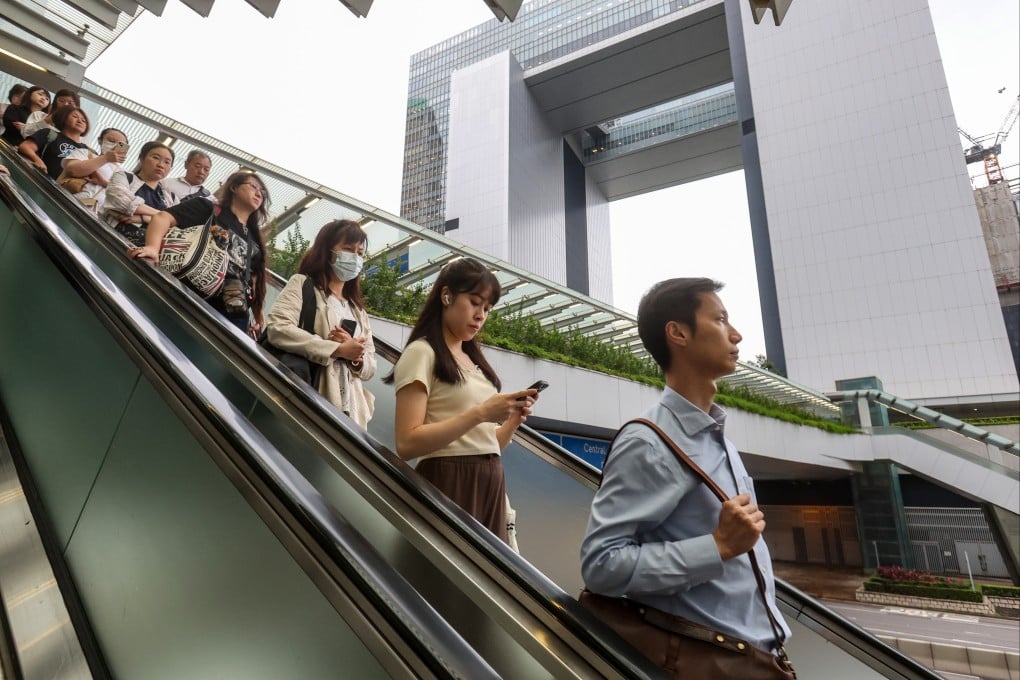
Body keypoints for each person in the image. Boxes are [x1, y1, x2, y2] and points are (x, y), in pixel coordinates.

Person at [579, 278, 792, 676]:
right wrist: (718, 545)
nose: (736, 333)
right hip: (708, 660)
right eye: (720, 319)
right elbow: (601, 565)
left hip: (758, 656)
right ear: (678, 333)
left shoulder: (720, 439)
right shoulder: (649, 443)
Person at [386, 257, 539, 543]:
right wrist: (481, 412)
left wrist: (513, 420)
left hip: (490, 479)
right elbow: (407, 443)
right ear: (447, 296)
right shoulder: (422, 352)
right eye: (474, 302)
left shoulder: (474, 362)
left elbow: (488, 443)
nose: (480, 315)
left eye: (487, 308)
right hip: (449, 479)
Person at [265, 220, 377, 428]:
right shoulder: (302, 284)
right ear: (328, 250)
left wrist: (356, 356)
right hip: (311, 396)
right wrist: (337, 349)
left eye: (360, 253)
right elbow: (278, 328)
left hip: (352, 412)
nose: (355, 258)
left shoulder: (357, 310)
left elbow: (371, 366)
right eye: (348, 249)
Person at [132, 171, 270, 338]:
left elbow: (254, 280)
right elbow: (162, 218)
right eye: (253, 187)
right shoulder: (208, 209)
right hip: (187, 297)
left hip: (231, 314)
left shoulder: (254, 238)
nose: (258, 193)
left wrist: (258, 313)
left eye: (262, 191)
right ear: (234, 187)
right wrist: (152, 248)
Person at [100, 141, 178, 244]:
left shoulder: (171, 198)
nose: (160, 165)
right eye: (155, 158)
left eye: (167, 162)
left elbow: (176, 227)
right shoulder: (125, 177)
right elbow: (119, 200)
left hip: (148, 253)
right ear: (142, 158)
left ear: (170, 168)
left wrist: (142, 218)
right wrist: (163, 217)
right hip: (111, 240)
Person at [61, 128, 129, 211]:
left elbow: (124, 198)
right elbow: (73, 170)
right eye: (111, 141)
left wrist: (104, 182)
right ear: (100, 141)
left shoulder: (124, 173)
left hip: (99, 216)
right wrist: (106, 158)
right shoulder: (85, 153)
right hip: (69, 203)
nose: (115, 145)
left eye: (120, 144)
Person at [17, 105, 90, 180]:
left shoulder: (85, 149)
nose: (80, 121)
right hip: (39, 181)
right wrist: (38, 161)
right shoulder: (49, 133)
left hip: (63, 190)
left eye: (84, 120)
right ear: (63, 118)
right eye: (75, 116)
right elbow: (25, 147)